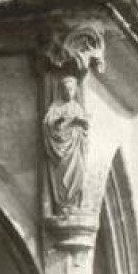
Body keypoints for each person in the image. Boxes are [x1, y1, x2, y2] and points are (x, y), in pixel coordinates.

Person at [42, 74, 89, 213]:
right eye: (66, 90)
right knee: (63, 179)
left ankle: (74, 203)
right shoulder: (56, 106)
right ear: (62, 91)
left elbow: (85, 125)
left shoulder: (77, 107)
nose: (69, 92)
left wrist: (81, 122)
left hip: (76, 147)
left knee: (78, 173)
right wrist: (59, 121)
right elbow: (48, 124)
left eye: (72, 90)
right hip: (62, 148)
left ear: (75, 91)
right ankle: (64, 205)